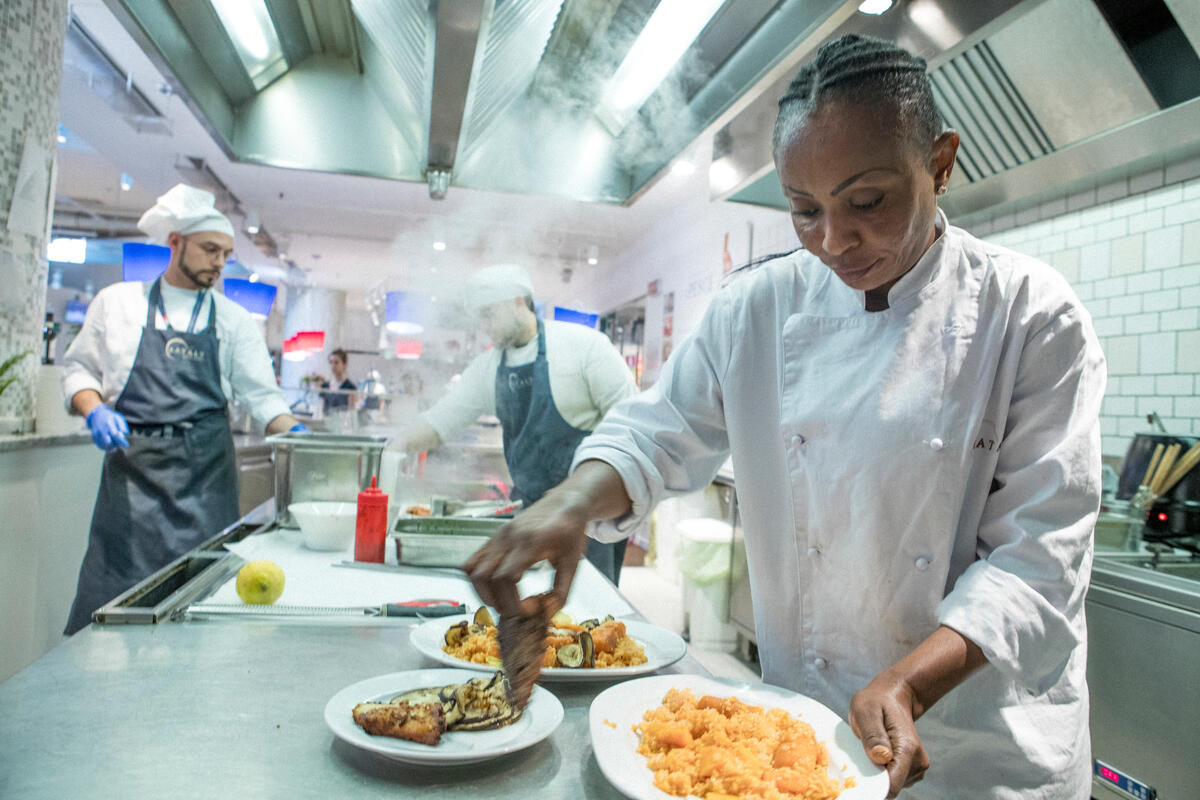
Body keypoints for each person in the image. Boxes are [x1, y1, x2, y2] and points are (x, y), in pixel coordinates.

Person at [466, 35, 1104, 799]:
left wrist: (906, 683)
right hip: (804, 741)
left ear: (941, 162)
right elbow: (655, 432)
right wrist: (567, 506)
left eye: (866, 202)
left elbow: (1038, 563)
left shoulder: (1030, 314)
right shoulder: (758, 308)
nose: (833, 241)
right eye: (803, 210)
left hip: (980, 754)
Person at [61, 184, 305, 634]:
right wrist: (94, 408)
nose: (219, 262)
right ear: (175, 243)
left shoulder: (232, 320)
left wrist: (298, 436)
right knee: (113, 608)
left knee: (198, 609)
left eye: (225, 253)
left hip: (205, 482)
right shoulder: (117, 304)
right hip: (132, 483)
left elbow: (264, 399)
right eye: (210, 249)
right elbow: (78, 372)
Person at [394, 263, 638, 584]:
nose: (483, 326)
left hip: (589, 514)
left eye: (488, 314)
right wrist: (394, 445)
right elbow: (442, 420)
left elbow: (632, 422)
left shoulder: (584, 347)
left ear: (519, 301)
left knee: (589, 614)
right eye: (478, 317)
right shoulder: (489, 367)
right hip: (529, 512)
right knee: (531, 606)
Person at [320, 348, 357, 413]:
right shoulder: (325, 385)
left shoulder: (350, 387)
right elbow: (323, 411)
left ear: (344, 364)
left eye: (336, 362)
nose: (333, 366)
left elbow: (352, 413)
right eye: (331, 362)